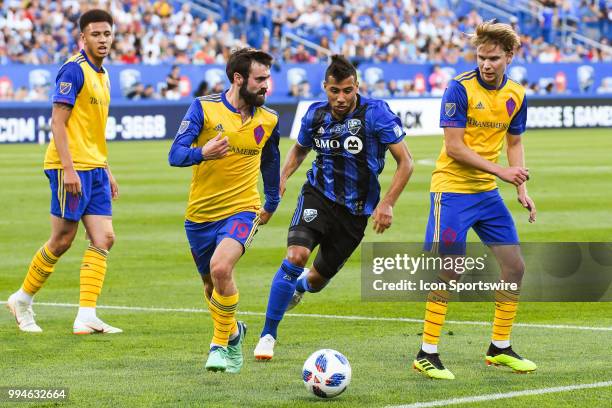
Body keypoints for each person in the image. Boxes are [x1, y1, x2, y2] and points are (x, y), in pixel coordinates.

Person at [254, 55, 413, 360]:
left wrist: (388, 202)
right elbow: (300, 148)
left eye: (347, 91)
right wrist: (283, 178)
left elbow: (405, 162)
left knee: (316, 280)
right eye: (334, 91)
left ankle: (299, 286)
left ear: (357, 88)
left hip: (355, 212)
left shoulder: (377, 113)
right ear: (325, 88)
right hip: (318, 196)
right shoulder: (315, 116)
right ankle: (268, 335)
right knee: (296, 255)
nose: (340, 99)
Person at [413, 21, 537, 380]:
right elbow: (454, 147)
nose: (486, 64)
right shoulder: (458, 89)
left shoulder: (517, 94)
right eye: (481, 57)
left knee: (515, 267)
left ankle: (499, 347)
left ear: (509, 56)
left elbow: (514, 143)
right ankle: (427, 352)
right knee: (449, 268)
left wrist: (521, 188)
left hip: (486, 195)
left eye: (494, 58)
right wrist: (502, 173)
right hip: (451, 190)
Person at [6, 9, 121, 335]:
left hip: (94, 167)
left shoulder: (104, 74)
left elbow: (93, 130)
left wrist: (106, 167)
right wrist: (69, 170)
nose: (102, 39)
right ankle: (22, 299)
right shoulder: (74, 70)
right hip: (68, 167)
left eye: (107, 34)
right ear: (82, 37)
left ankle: (86, 314)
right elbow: (58, 121)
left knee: (105, 237)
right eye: (96, 34)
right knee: (62, 239)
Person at [168, 48, 280, 373]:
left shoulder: (269, 119)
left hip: (243, 209)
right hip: (200, 215)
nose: (266, 86)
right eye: (260, 79)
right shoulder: (204, 108)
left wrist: (271, 202)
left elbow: (270, 160)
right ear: (238, 78)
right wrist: (203, 151)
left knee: (220, 269)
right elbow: (175, 154)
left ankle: (218, 346)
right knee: (210, 285)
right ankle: (234, 333)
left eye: (268, 79)